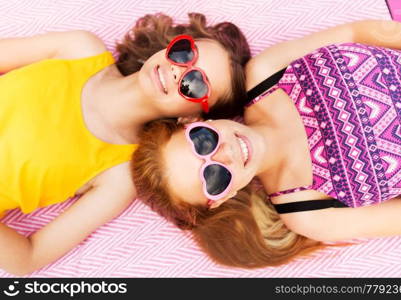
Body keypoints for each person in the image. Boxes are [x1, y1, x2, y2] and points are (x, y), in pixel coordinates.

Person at [131, 19, 401, 269]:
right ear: (220, 199)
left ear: (192, 123)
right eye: (213, 177)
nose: (225, 154)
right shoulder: (308, 215)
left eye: (203, 142)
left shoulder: (267, 73)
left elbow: (356, 32)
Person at [0, 13, 250, 275]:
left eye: (195, 83)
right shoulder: (80, 48)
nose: (178, 70)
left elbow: (27, 258)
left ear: (192, 118)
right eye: (185, 53)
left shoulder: (120, 175)